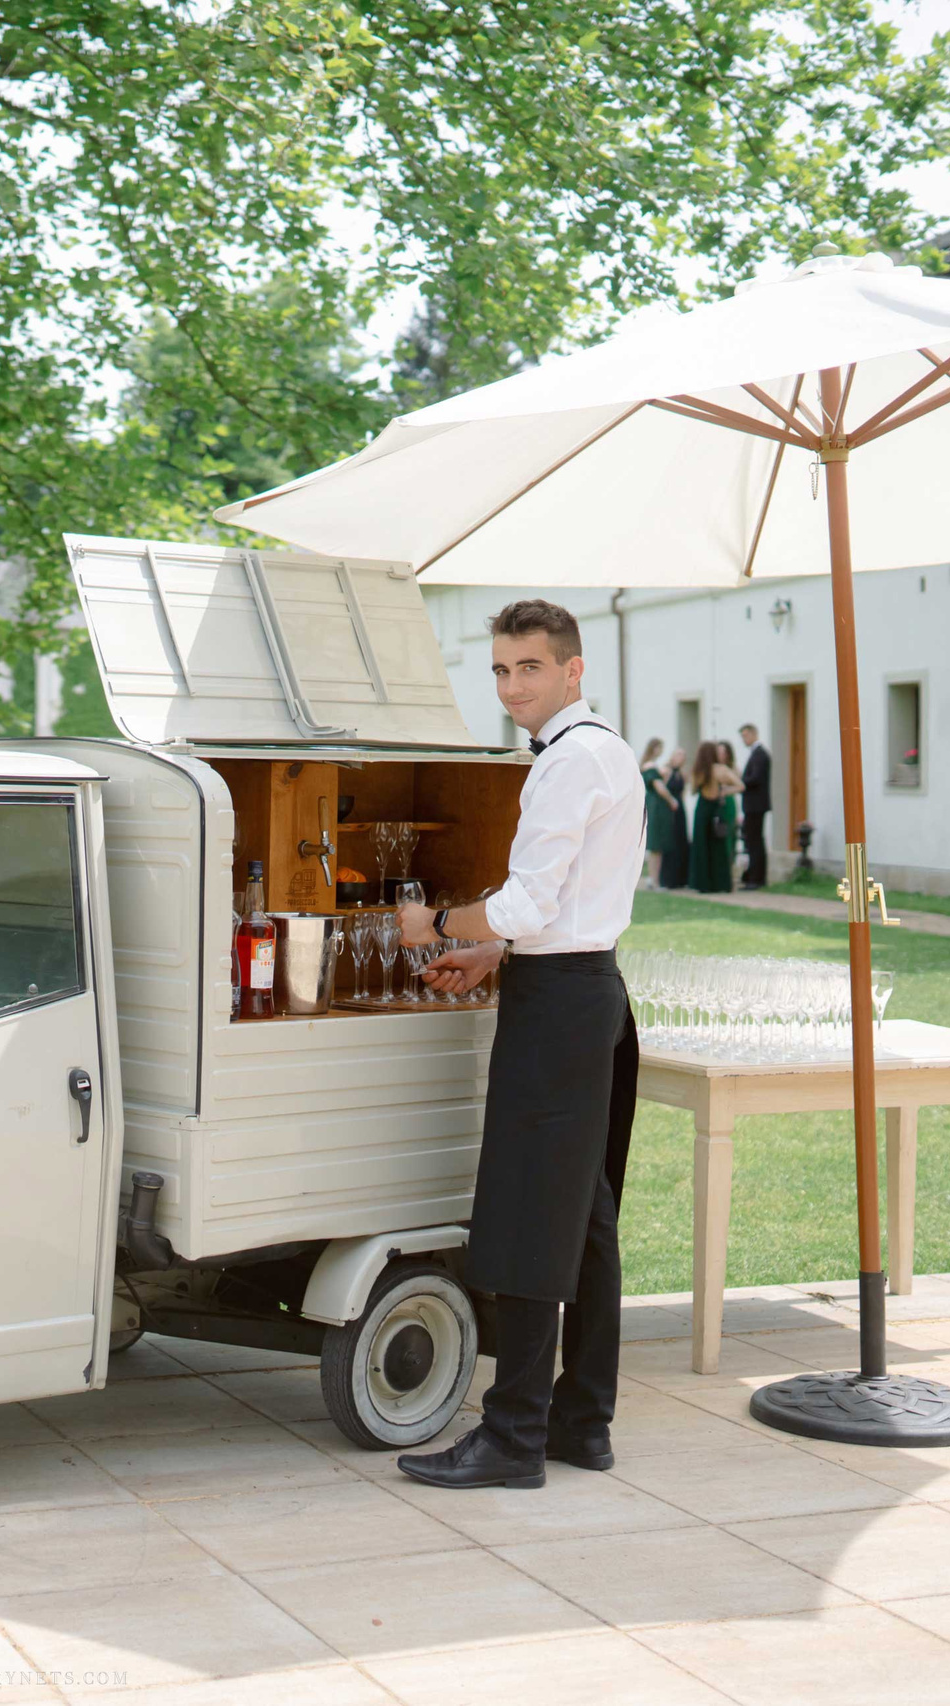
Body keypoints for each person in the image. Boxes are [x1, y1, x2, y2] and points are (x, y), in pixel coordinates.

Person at [392, 599, 640, 1490]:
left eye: (528, 668)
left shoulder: (569, 763)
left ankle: (512, 1437)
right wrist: (493, 951)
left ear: (573, 671)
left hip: (560, 1007)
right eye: (499, 670)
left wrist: (436, 922)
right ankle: (583, 1423)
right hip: (588, 990)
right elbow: (561, 909)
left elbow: (531, 902)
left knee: (538, 1212)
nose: (511, 687)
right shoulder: (602, 752)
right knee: (587, 1219)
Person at [688, 741, 741, 893]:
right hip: (717, 808)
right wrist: (724, 791)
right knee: (718, 846)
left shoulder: (699, 771)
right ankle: (721, 883)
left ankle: (703, 883)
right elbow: (740, 785)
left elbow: (692, 790)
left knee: (701, 845)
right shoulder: (721, 770)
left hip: (703, 808)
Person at [739, 723, 773, 890]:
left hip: (756, 805)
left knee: (754, 841)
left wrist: (739, 781)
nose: (743, 739)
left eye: (745, 736)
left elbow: (755, 779)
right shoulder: (756, 754)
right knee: (753, 840)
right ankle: (753, 876)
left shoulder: (760, 754)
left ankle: (756, 878)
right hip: (753, 804)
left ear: (753, 734)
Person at [638, 738, 675, 889]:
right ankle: (654, 880)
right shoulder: (651, 767)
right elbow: (659, 786)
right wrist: (671, 800)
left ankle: (653, 879)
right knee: (656, 845)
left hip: (653, 804)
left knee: (655, 846)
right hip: (656, 806)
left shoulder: (650, 766)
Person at [656, 748, 690, 890]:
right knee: (670, 840)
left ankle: (681, 878)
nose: (680, 759)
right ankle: (668, 879)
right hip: (669, 809)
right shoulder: (665, 771)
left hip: (680, 809)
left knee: (681, 840)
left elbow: (683, 792)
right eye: (678, 755)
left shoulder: (682, 774)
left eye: (683, 756)